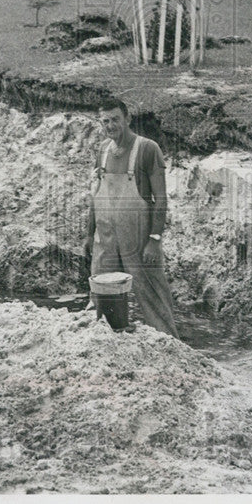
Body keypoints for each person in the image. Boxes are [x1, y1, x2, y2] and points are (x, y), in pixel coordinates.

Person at [84, 98, 179, 338]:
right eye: (105, 121)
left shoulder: (147, 149)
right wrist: (88, 234)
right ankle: (113, 342)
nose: (111, 125)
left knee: (152, 293)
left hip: (137, 236)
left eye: (115, 119)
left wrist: (154, 240)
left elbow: (161, 198)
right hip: (105, 236)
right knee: (104, 292)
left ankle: (169, 343)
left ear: (128, 119)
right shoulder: (103, 150)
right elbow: (96, 196)